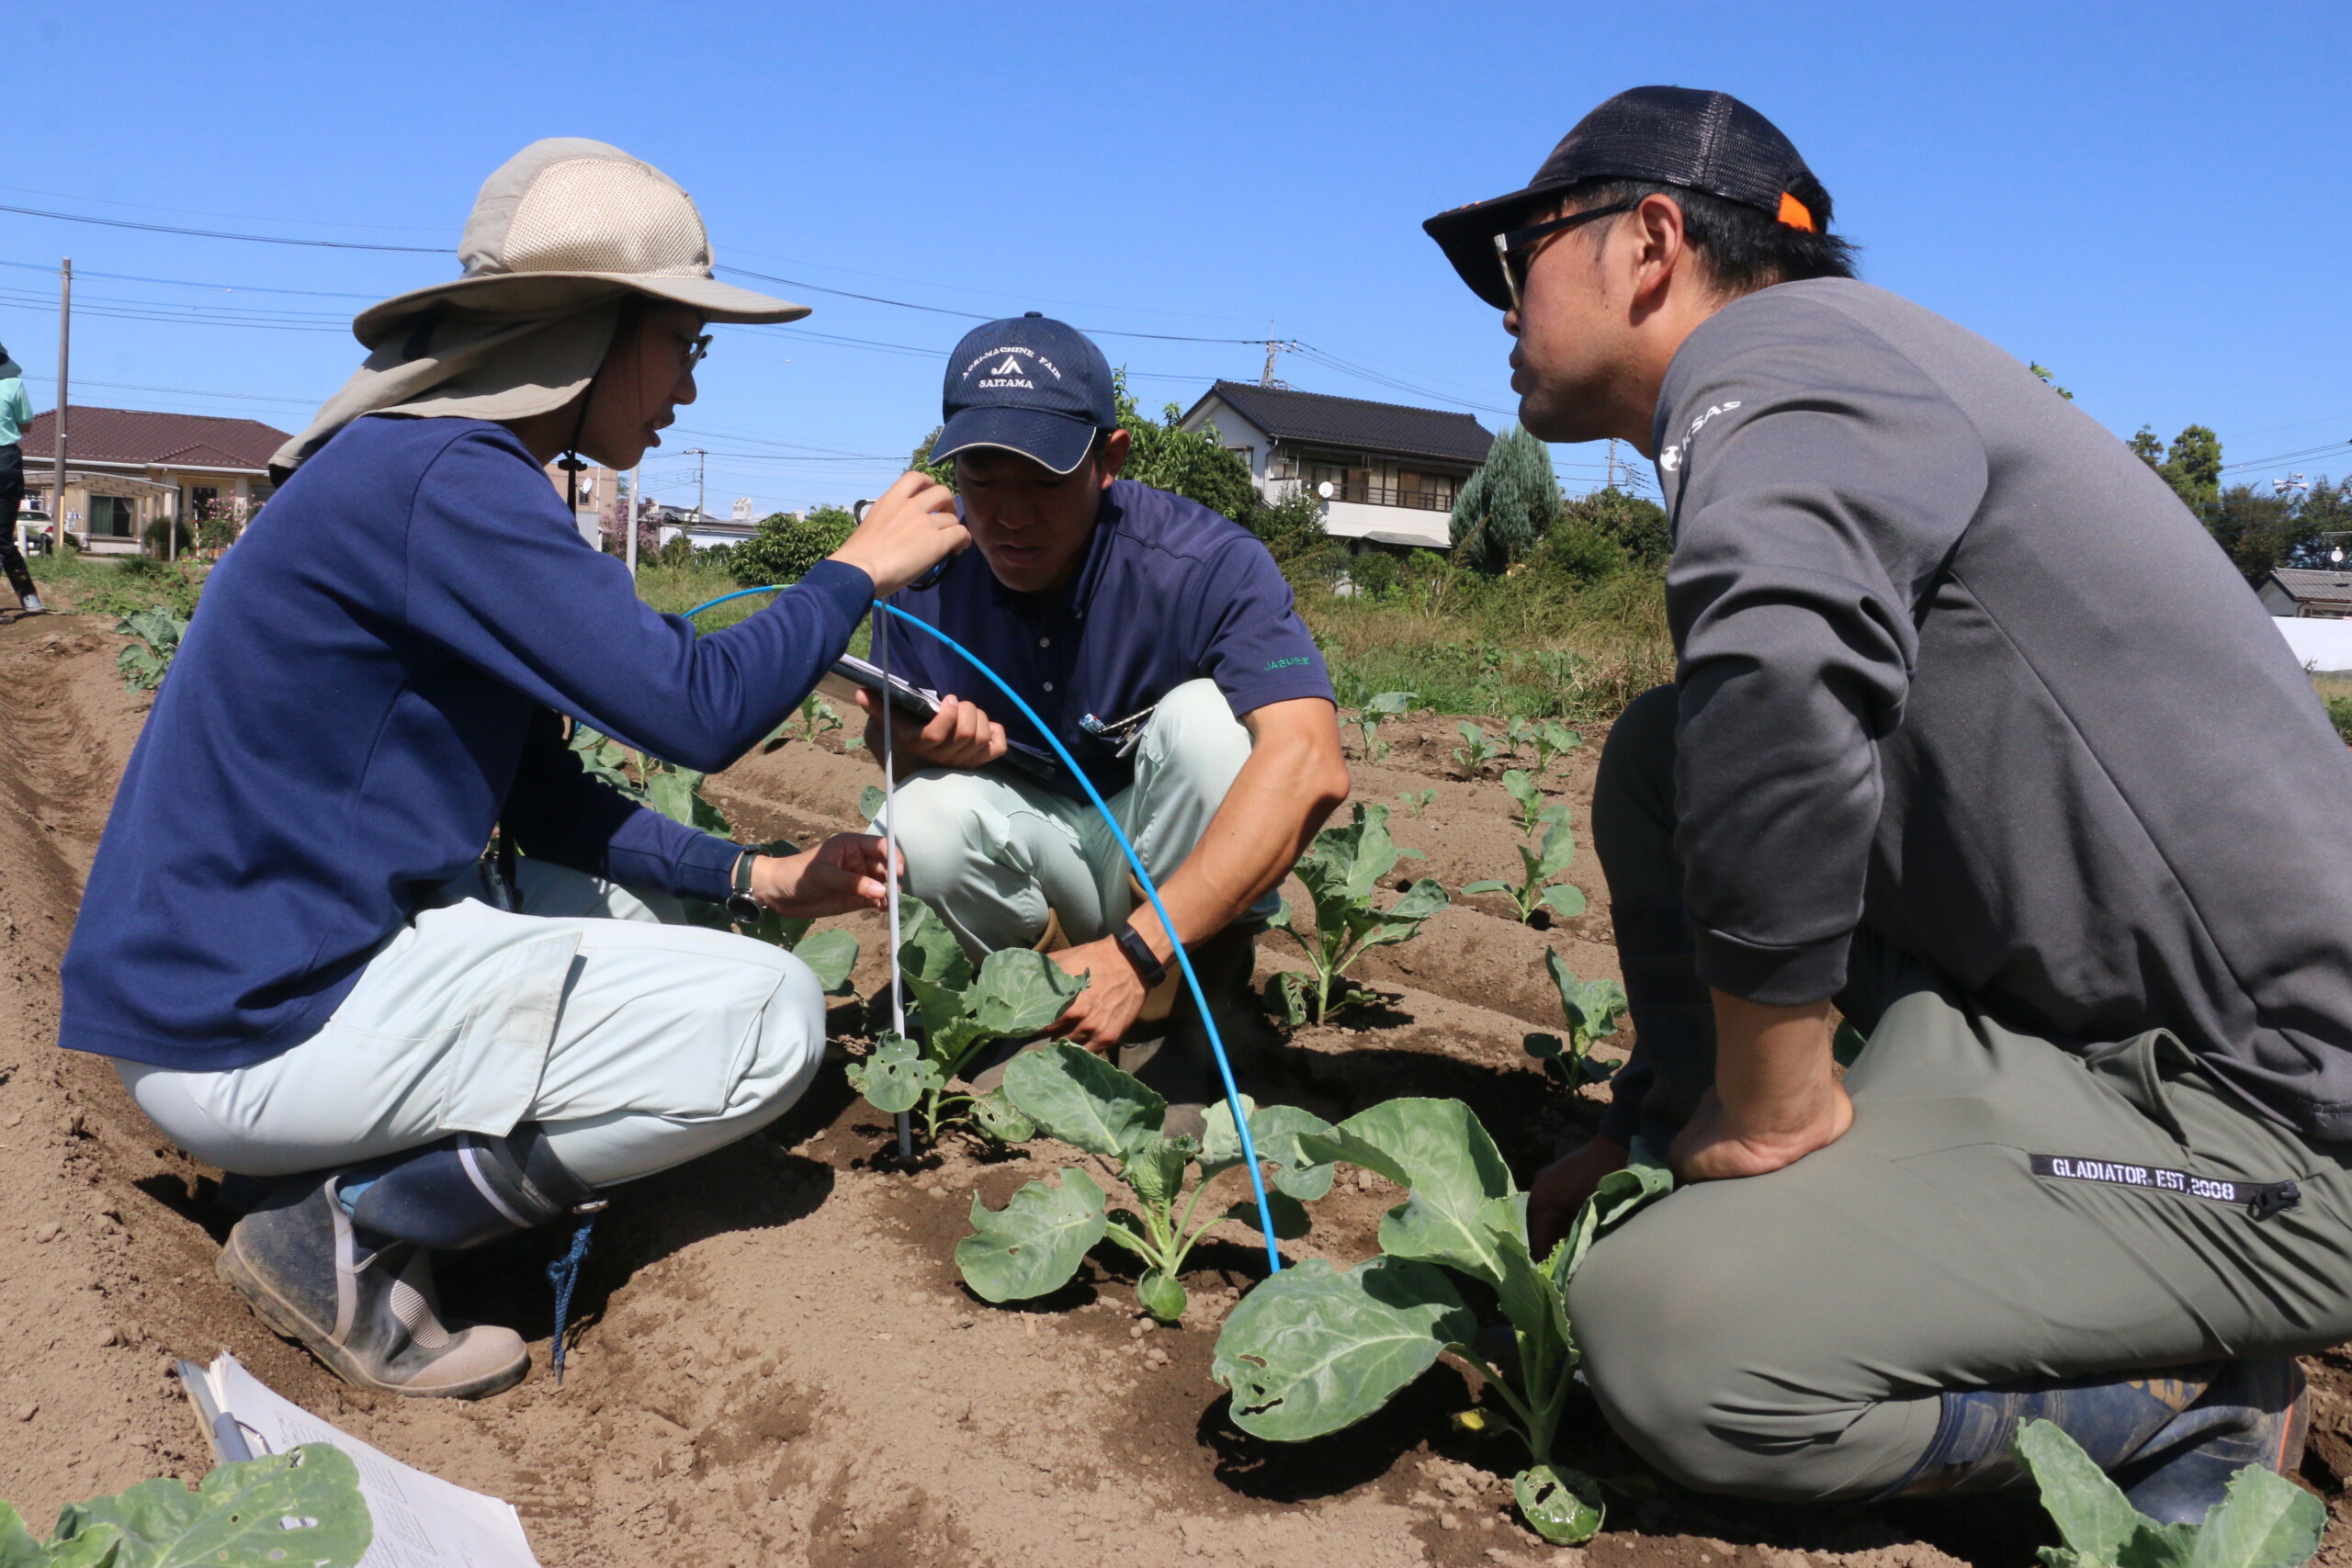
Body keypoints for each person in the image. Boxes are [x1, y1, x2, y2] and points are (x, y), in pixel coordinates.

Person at [1423, 85, 2352, 1519]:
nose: (1502, 301)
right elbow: (1746, 729)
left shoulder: (1785, 355)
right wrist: (1663, 1118)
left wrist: (1782, 1101)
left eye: (1518, 252)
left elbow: (1781, 664)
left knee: (1677, 1335)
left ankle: (2194, 1400)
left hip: (2282, 1119)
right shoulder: (1859, 367)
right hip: (2104, 1039)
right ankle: (1725, 1123)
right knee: (1665, 753)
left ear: (1649, 241)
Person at [60, 139, 968, 1400]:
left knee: (653, 915)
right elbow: (692, 708)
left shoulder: (417, 470)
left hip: (227, 995)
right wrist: (854, 569)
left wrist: (756, 875)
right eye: (686, 346)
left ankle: (331, 1170)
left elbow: (537, 796)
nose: (688, 391)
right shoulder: (448, 481)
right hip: (256, 1027)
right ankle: (357, 1224)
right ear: (596, 329)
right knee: (771, 1018)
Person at [862, 313, 1351, 1128]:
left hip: (1164, 872)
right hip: (1037, 856)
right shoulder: (919, 577)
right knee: (915, 818)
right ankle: (1040, 1011)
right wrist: (912, 745)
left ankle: (1184, 1018)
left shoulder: (1206, 562)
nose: (1010, 514)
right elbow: (885, 748)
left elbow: (1312, 763)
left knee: (1210, 727)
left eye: (1045, 481)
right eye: (983, 477)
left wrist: (1137, 948)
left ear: (1108, 462)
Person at [0, 343, 42, 613]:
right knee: (3, 536)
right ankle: (29, 599)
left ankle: (30, 598)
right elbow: (26, 425)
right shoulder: (13, 385)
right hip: (6, 463)